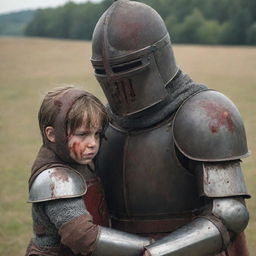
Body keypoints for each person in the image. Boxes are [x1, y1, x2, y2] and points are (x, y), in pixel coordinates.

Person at [91, 0, 251, 255]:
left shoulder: (206, 114)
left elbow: (230, 214)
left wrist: (159, 252)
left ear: (158, 55)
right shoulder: (100, 122)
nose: (115, 80)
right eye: (103, 70)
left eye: (128, 66)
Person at [26, 86, 151, 256]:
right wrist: (146, 247)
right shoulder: (55, 179)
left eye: (97, 134)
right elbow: (81, 236)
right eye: (82, 134)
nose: (93, 143)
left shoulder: (79, 160)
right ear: (52, 135)